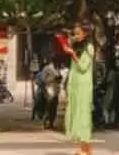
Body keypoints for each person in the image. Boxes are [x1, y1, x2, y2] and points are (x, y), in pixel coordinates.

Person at [63, 24, 95, 155]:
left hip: (83, 86)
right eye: (75, 33)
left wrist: (72, 54)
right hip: (75, 85)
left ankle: (86, 149)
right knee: (76, 114)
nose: (76, 36)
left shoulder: (89, 47)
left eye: (78, 33)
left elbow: (82, 66)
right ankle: (85, 149)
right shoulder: (78, 47)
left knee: (84, 116)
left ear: (85, 34)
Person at [40, 57, 63, 129]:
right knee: (48, 107)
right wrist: (52, 79)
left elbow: (59, 80)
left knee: (54, 107)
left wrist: (59, 79)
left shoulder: (57, 69)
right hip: (49, 89)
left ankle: (51, 123)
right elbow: (43, 79)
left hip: (56, 90)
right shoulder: (47, 68)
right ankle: (45, 122)